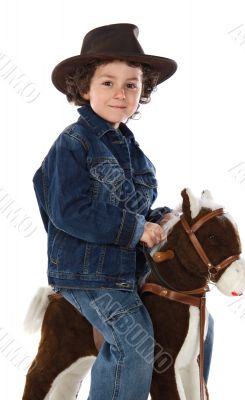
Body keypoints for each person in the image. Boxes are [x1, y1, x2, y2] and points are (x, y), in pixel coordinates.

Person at [32, 23, 213, 400]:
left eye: (131, 84)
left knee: (199, 324)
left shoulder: (132, 149)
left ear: (142, 91)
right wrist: (133, 229)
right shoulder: (73, 143)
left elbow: (139, 207)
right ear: (84, 88)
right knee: (133, 342)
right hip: (88, 274)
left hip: (129, 270)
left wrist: (163, 217)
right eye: (107, 83)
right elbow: (70, 210)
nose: (121, 93)